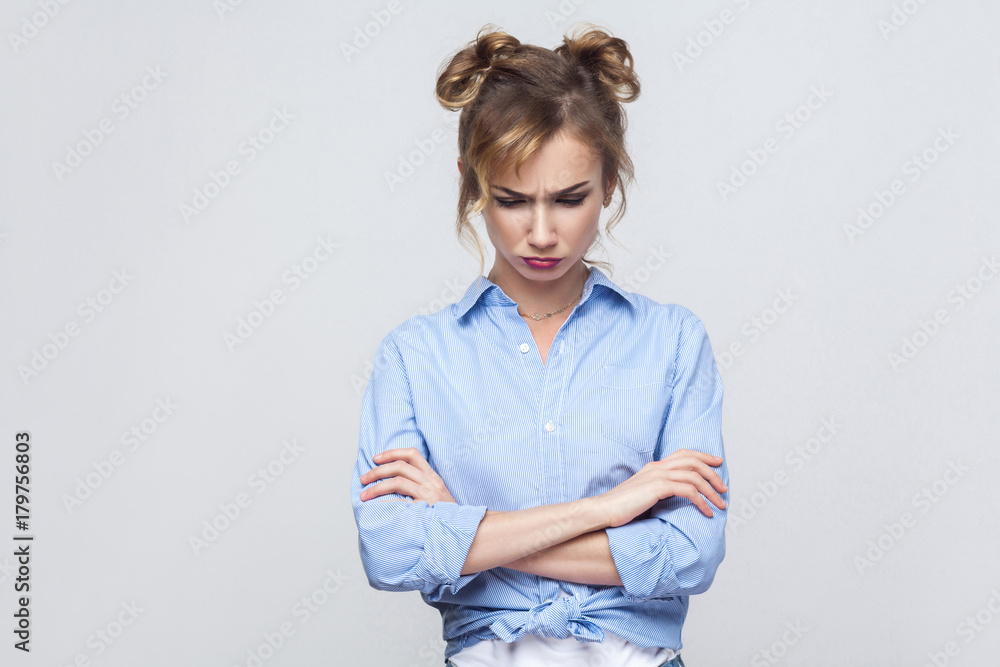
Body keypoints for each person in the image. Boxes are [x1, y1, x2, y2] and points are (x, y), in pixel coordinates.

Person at [350, 22, 730, 667]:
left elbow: (689, 554)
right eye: (512, 200)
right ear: (472, 185)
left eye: (570, 199)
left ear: (609, 183)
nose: (543, 233)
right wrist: (610, 509)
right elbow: (389, 552)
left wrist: (466, 530)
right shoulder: (415, 357)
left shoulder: (672, 341)